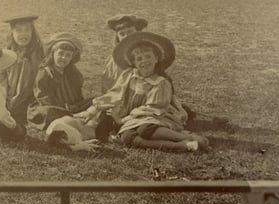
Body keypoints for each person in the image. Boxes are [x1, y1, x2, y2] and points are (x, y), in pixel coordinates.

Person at [77, 31, 208, 152]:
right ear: (133, 63)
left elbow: (153, 108)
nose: (144, 61)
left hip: (155, 116)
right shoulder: (129, 75)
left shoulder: (160, 82)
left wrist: (123, 120)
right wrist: (92, 110)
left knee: (145, 129)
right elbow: (115, 93)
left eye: (148, 57)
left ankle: (181, 137)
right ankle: (182, 146)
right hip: (131, 118)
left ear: (156, 58)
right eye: (139, 59)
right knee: (127, 138)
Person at [27, 32, 92, 130]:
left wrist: (77, 105)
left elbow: (77, 94)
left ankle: (75, 116)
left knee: (95, 101)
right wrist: (64, 107)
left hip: (72, 106)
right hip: (53, 106)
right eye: (60, 53)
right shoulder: (45, 72)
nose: (63, 58)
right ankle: (73, 117)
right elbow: (43, 97)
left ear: (72, 58)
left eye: (68, 55)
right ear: (52, 54)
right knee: (48, 112)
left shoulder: (73, 73)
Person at [3, 15, 45, 124]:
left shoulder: (38, 54)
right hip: (9, 96)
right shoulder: (7, 54)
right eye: (18, 31)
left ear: (32, 32)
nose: (23, 34)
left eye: (27, 30)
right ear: (12, 33)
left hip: (29, 98)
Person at [101, 14, 148, 92]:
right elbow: (107, 86)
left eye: (130, 32)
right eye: (122, 34)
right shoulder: (113, 60)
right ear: (118, 38)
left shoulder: (147, 55)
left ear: (138, 33)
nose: (126, 36)